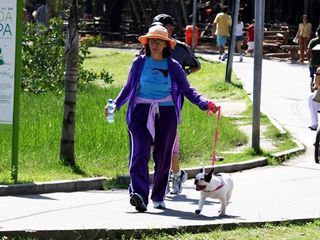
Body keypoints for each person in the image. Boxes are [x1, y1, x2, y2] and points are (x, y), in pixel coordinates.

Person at [108, 25, 217, 212]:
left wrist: (204, 103)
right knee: (139, 154)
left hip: (166, 113)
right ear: (147, 42)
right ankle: (140, 196)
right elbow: (127, 88)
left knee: (163, 156)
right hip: (139, 113)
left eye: (160, 41)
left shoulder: (173, 66)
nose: (155, 44)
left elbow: (187, 89)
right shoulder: (139, 63)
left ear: (166, 44)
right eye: (152, 40)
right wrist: (116, 104)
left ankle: (158, 196)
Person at [151, 14, 201, 195]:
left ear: (171, 28)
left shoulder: (180, 49)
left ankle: (175, 175)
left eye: (164, 27)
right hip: (150, 100)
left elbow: (196, 66)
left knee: (170, 138)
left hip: (173, 98)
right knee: (152, 140)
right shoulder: (147, 48)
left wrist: (182, 76)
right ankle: (164, 175)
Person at [307, 27, 320, 93]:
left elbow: (308, 52)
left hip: (313, 64)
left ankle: (313, 84)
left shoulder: (313, 41)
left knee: (313, 76)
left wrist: (309, 60)